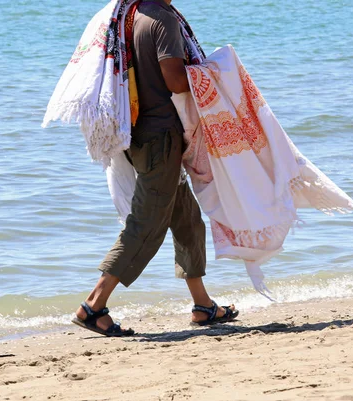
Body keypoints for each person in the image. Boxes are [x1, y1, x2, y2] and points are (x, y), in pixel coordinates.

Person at [72, 0, 238, 336]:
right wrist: (215, 76)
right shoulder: (162, 19)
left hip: (138, 132)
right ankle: (93, 305)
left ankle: (203, 306)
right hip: (160, 138)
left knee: (187, 220)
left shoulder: (129, 16)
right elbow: (176, 81)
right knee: (145, 225)